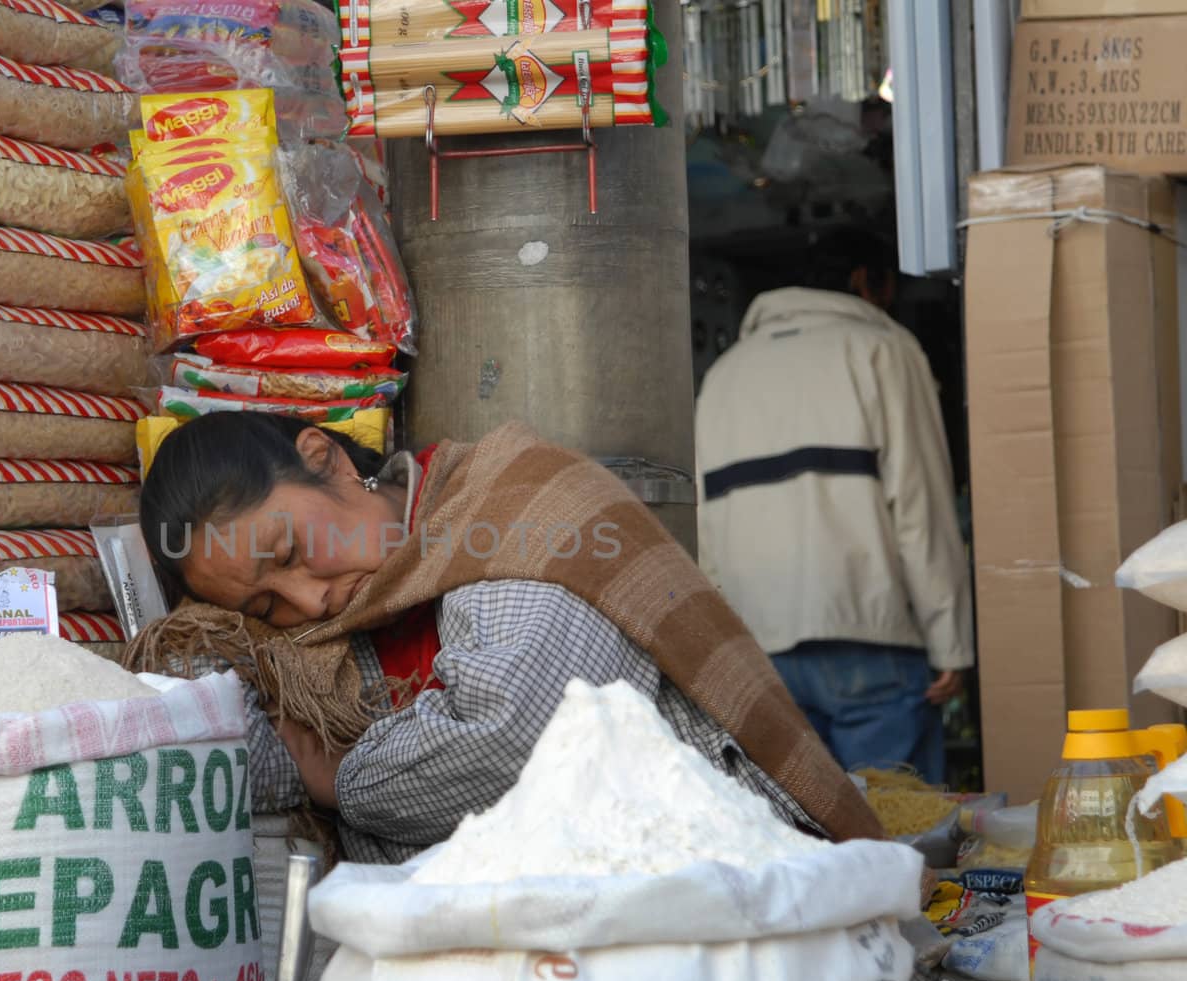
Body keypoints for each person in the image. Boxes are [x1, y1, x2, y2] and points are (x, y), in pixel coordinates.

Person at [125, 412, 885, 865]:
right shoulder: (323, 640)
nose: (310, 597)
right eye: (267, 603)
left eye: (289, 550)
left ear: (324, 459)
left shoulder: (515, 504)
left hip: (746, 896)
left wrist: (341, 780)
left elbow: (512, 735)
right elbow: (241, 753)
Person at [694, 229, 974, 785]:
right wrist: (951, 642)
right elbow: (919, 506)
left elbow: (707, 526)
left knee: (798, 841)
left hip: (759, 650)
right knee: (893, 835)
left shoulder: (723, 374)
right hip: (869, 639)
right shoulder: (884, 350)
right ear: (866, 282)